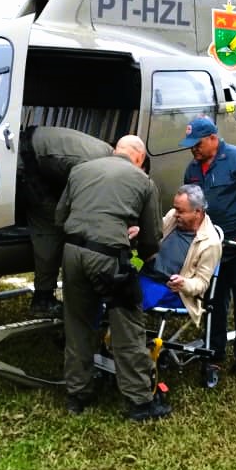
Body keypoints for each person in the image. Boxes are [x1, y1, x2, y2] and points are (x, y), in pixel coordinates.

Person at [55, 135, 168, 421]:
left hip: (72, 253)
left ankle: (77, 395)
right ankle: (140, 401)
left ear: (115, 151)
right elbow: (152, 237)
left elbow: (60, 217)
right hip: (107, 258)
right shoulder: (143, 181)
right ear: (139, 158)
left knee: (77, 323)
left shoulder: (80, 170)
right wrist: (137, 245)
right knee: (127, 323)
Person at [180, 116, 236, 387]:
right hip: (212, 249)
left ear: (212, 138)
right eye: (190, 145)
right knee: (214, 301)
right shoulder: (192, 169)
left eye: (197, 144)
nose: (193, 149)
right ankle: (214, 350)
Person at [18, 125, 113, 316]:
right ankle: (43, 299)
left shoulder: (104, 154)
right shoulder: (98, 166)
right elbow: (77, 207)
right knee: (50, 228)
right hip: (27, 161)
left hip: (30, 150)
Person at [139, 184, 222, 326]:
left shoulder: (211, 243)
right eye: (175, 208)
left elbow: (201, 283)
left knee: (131, 299)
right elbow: (154, 232)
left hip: (174, 291)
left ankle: (126, 336)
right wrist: (140, 232)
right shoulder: (173, 216)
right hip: (147, 276)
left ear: (197, 211)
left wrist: (184, 283)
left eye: (180, 211)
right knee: (113, 288)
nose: (175, 213)